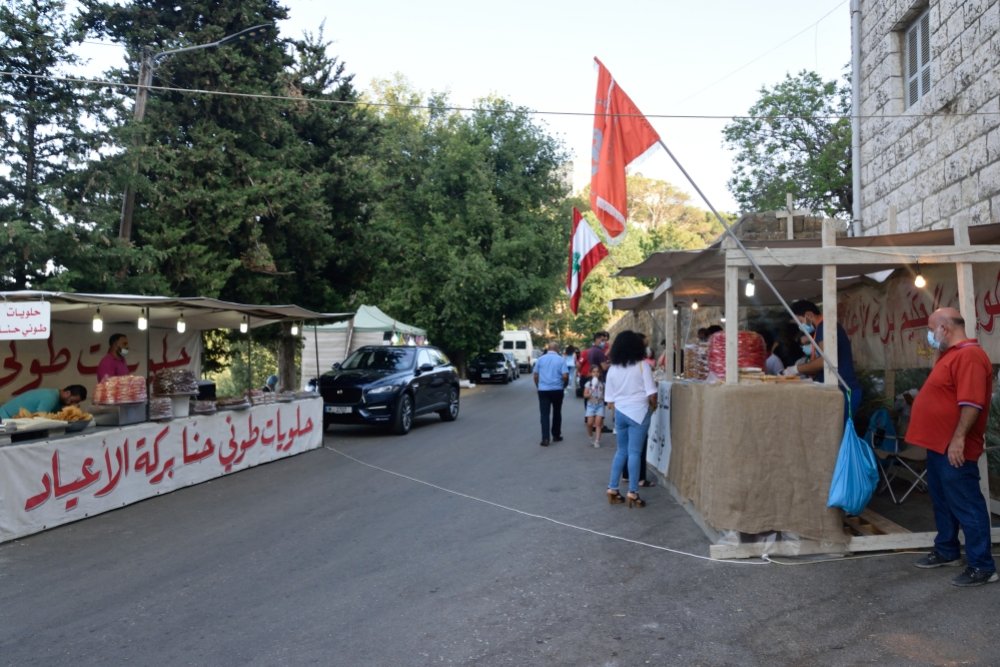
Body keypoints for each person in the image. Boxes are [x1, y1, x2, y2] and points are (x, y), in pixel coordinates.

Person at [907, 308, 996, 587]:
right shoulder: (952, 354)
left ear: (944, 328)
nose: (929, 336)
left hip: (953, 446)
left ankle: (982, 566)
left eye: (932, 329)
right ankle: (947, 550)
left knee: (966, 504)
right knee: (943, 502)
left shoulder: (969, 356)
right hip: (938, 445)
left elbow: (971, 403)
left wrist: (958, 439)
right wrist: (939, 350)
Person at [604, 330, 657, 508]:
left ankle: (612, 488)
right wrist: (654, 407)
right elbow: (652, 393)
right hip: (639, 412)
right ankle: (633, 492)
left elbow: (609, 400)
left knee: (621, 451)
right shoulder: (643, 366)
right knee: (635, 453)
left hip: (620, 413)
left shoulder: (612, 369)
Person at [783, 300, 862, 418]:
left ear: (809, 315)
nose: (800, 327)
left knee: (839, 433)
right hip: (840, 390)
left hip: (844, 391)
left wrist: (796, 369)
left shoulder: (825, 327)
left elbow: (824, 361)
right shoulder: (821, 328)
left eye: (800, 321)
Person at [533, 342, 567, 446]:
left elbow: (535, 375)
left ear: (548, 349)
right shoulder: (561, 360)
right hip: (557, 389)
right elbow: (565, 376)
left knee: (544, 414)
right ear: (557, 349)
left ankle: (545, 439)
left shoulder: (540, 359)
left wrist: (538, 386)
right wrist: (562, 384)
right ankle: (556, 435)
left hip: (543, 390)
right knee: (557, 412)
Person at [0, 385, 88, 419]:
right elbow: (40, 419)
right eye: (72, 401)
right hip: (3, 418)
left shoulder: (56, 398)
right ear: (67, 393)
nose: (70, 404)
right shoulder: (51, 398)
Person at [583, 366, 605, 447]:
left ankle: (597, 441)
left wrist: (603, 397)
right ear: (590, 373)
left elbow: (605, 394)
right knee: (589, 423)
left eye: (597, 372)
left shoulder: (602, 384)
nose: (596, 373)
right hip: (590, 405)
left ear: (600, 373)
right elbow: (585, 395)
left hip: (600, 405)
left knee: (598, 424)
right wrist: (590, 393)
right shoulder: (588, 384)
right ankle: (590, 436)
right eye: (594, 372)